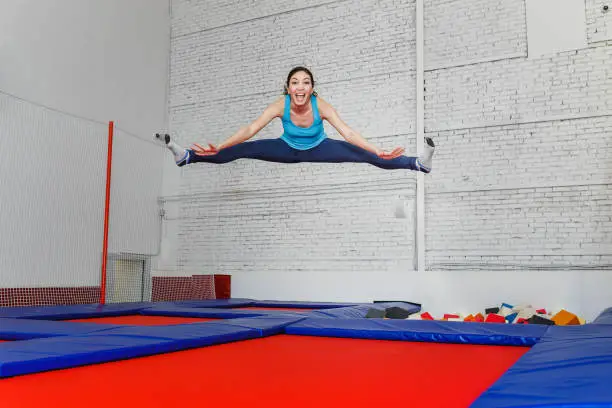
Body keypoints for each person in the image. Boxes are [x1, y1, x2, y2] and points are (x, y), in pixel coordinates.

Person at [156, 66, 435, 172]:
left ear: (311, 88)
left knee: (365, 155)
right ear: (288, 88)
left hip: (321, 148)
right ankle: (187, 157)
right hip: (286, 148)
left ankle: (418, 164)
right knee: (239, 149)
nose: (300, 87)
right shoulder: (281, 104)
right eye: (295, 83)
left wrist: (375, 149)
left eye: (305, 83)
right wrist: (221, 144)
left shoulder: (321, 106)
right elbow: (252, 128)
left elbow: (348, 133)